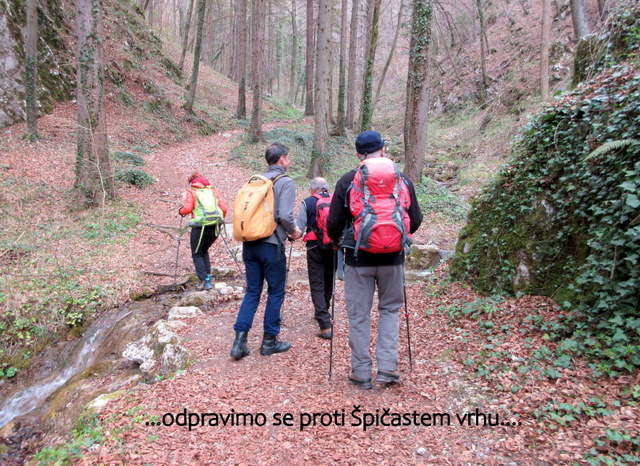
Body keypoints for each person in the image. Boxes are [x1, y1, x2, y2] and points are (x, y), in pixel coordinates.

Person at [326, 130, 423, 389]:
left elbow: (333, 223)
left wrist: (339, 240)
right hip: (393, 259)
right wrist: (395, 238)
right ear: (383, 149)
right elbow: (415, 219)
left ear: (359, 154)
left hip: (358, 259)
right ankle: (388, 368)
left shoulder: (348, 180)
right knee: (389, 310)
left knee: (359, 315)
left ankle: (361, 372)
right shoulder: (401, 179)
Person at [230, 143, 302, 359]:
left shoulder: (256, 182)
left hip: (250, 244)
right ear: (282, 159)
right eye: (288, 157)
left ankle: (239, 343)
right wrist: (294, 232)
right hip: (271, 245)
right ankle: (269, 342)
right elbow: (285, 215)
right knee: (276, 291)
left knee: (253, 291)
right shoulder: (285, 182)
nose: (289, 160)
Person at [296, 177, 335, 340]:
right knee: (329, 280)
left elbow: (299, 228)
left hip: (314, 247)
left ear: (312, 189)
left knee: (317, 284)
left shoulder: (307, 202)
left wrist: (291, 235)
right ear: (326, 188)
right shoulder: (335, 200)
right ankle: (323, 310)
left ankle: (324, 324)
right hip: (333, 246)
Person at [179, 172, 227, 291]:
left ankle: (204, 281)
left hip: (200, 227)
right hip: (215, 226)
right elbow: (224, 208)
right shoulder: (212, 190)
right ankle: (208, 278)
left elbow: (187, 208)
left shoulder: (192, 191)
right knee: (203, 250)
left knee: (197, 253)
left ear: (192, 182)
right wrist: (216, 220)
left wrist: (181, 211)